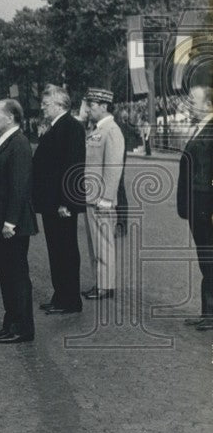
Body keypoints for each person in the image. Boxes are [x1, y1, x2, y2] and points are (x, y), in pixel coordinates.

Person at [0, 99, 38, 344]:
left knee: (16, 275)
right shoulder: (5, 143)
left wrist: (11, 221)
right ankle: (11, 321)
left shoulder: (19, 144)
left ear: (11, 117)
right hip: (0, 222)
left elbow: (19, 185)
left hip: (11, 224)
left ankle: (23, 327)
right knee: (6, 274)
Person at [32, 85, 86, 314]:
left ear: (59, 104)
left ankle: (70, 300)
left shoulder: (71, 127)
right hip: (51, 202)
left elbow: (73, 167)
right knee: (56, 250)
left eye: (46, 104)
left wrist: (67, 201)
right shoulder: (56, 127)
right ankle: (60, 295)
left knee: (65, 251)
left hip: (61, 204)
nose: (42, 108)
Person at [82, 88, 125, 301]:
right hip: (92, 198)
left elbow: (114, 167)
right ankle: (99, 282)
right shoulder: (96, 130)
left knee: (104, 243)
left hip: (102, 200)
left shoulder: (112, 131)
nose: (88, 109)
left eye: (92, 105)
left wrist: (107, 198)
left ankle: (106, 286)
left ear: (104, 106)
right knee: (95, 245)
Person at [177, 84, 213, 331]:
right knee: (206, 260)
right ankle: (207, 312)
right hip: (197, 208)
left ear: (209, 105)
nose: (189, 105)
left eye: (193, 100)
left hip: (206, 208)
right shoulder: (201, 128)